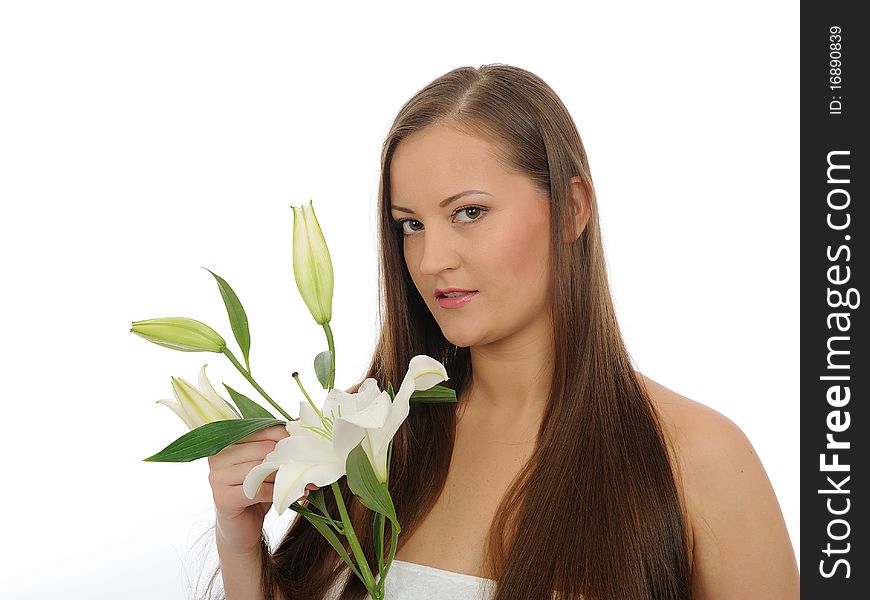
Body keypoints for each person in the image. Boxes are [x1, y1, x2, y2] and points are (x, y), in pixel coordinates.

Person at [204, 64, 800, 600]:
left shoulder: (698, 457)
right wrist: (239, 547)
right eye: (410, 224)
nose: (432, 257)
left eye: (469, 212)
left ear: (571, 209)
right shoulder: (372, 438)